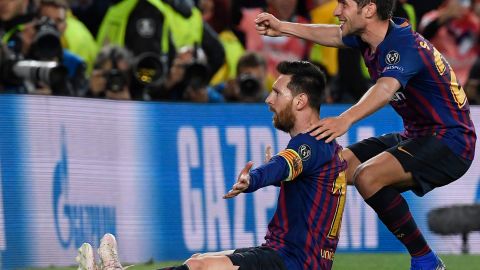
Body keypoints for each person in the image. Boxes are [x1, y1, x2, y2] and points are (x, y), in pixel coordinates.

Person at [255, 0, 476, 269]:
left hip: (451, 141)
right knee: (332, 167)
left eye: (344, 5)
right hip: (418, 135)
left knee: (368, 176)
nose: (337, 11)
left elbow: (384, 89)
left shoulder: (404, 47)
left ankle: (426, 261)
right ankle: (305, 255)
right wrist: (284, 27)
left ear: (369, 9)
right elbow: (335, 34)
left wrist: (345, 118)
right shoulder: (371, 38)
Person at [76, 61, 348, 270]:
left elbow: (283, 164)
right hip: (285, 255)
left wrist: (253, 179)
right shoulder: (324, 145)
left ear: (300, 101)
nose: (269, 100)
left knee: (201, 267)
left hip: (291, 262)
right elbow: (298, 173)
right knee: (198, 260)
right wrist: (277, 174)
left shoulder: (310, 144)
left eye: (277, 92)